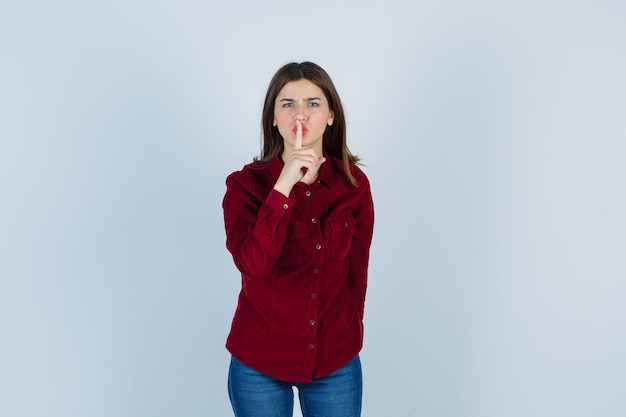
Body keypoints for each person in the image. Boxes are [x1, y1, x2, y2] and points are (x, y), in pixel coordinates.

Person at [222, 61, 374, 417]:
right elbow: (254, 265)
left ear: (331, 115)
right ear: (273, 117)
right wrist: (283, 187)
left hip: (335, 360)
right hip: (260, 360)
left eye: (313, 103)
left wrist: (348, 336)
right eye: (287, 103)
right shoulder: (243, 186)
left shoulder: (353, 186)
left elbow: (357, 272)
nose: (300, 114)